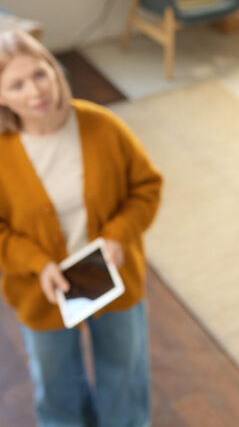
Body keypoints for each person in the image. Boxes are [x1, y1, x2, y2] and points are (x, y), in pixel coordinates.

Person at [0, 30, 162, 427]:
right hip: (42, 291)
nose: (34, 90)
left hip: (114, 278)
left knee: (123, 375)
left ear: (55, 71)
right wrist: (38, 263)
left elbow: (147, 186)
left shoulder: (103, 126)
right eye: (16, 84)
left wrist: (118, 234)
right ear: (1, 96)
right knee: (56, 387)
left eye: (39, 74)